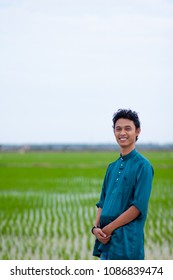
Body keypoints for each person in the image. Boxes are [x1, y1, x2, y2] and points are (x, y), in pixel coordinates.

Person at [91, 109, 154, 260]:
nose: (122, 133)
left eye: (128, 128)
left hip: (127, 245)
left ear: (137, 131)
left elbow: (138, 207)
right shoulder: (111, 167)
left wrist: (109, 228)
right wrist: (95, 228)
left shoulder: (143, 166)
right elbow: (102, 203)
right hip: (105, 244)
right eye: (118, 129)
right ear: (114, 132)